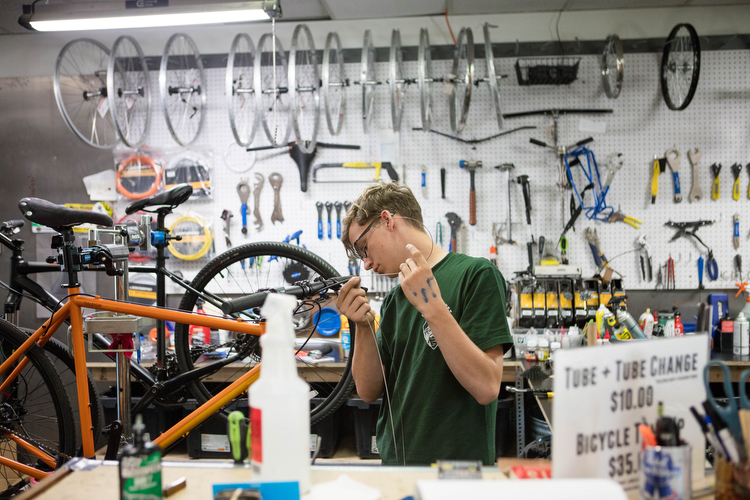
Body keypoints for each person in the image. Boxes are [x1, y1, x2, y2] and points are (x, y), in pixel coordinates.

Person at [336, 182, 512, 466]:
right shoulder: (394, 298)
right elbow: (369, 392)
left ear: (387, 220)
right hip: (397, 465)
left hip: (458, 471)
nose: (366, 263)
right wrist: (362, 326)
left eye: (364, 247)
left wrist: (433, 308)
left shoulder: (477, 274)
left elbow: (487, 387)